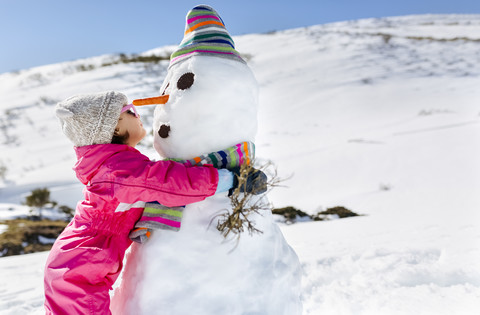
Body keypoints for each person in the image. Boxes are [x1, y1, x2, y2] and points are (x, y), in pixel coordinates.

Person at [43, 91, 258, 314]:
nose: (138, 115)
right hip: (79, 265)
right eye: (130, 112)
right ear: (114, 128)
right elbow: (167, 183)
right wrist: (230, 180)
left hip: (74, 261)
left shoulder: (116, 166)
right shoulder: (118, 171)